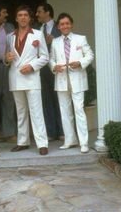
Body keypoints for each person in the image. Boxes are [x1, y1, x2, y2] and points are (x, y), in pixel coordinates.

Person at [6, 5, 49, 155]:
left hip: (31, 78)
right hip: (16, 78)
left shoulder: (37, 34)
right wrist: (6, 58)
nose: (23, 17)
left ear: (30, 18)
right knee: (21, 111)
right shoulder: (9, 36)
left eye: (25, 15)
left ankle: (42, 143)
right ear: (16, 18)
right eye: (20, 15)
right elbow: (7, 58)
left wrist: (32, 66)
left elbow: (45, 57)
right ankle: (23, 142)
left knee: (36, 112)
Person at [49, 12, 94, 153]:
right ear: (58, 26)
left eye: (67, 23)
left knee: (79, 110)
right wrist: (53, 66)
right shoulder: (55, 42)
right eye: (62, 24)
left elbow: (90, 55)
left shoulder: (81, 39)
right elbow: (51, 59)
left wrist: (80, 63)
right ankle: (70, 140)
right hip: (62, 79)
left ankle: (84, 142)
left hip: (78, 80)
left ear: (71, 24)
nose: (65, 26)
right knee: (65, 111)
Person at [0, 3, 17, 143]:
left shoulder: (10, 28)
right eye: (4, 12)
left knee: (9, 100)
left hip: (7, 68)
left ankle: (9, 133)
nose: (6, 15)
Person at [35, 3, 63, 141]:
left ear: (47, 13)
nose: (37, 14)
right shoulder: (36, 29)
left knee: (60, 100)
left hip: (57, 69)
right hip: (41, 70)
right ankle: (51, 132)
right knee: (46, 101)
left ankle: (63, 131)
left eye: (39, 11)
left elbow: (68, 42)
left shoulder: (60, 26)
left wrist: (54, 40)